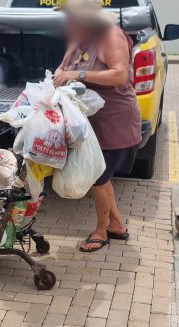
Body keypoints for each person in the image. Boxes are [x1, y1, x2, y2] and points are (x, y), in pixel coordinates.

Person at [54, 0, 142, 252]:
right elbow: (64, 67)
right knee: (98, 176)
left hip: (115, 121)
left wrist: (77, 75)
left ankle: (101, 231)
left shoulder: (110, 35)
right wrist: (59, 75)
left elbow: (119, 74)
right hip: (89, 121)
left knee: (98, 177)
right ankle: (116, 225)